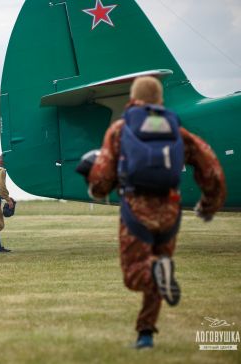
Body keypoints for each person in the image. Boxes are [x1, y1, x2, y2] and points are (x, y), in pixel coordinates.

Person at [87, 76, 226, 349]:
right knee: (161, 267)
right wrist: (209, 203)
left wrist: (97, 188)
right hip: (170, 209)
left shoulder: (120, 129)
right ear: (160, 99)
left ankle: (154, 275)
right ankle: (145, 334)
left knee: (137, 274)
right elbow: (210, 167)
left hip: (136, 209)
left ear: (132, 98)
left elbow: (102, 178)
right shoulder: (176, 129)